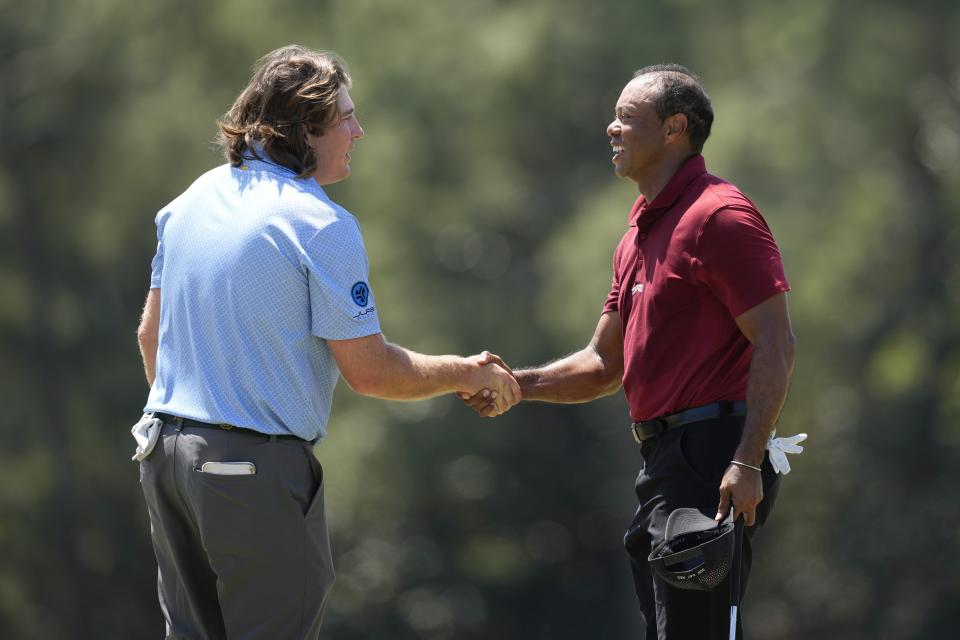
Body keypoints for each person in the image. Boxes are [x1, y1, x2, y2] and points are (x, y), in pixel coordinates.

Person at [134, 45, 519, 640]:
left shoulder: (191, 199)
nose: (358, 131)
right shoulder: (319, 223)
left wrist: (197, 428)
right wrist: (465, 372)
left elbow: (149, 336)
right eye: (346, 118)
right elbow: (372, 372)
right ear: (306, 129)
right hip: (250, 470)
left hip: (163, 457)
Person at [462, 64, 796, 639]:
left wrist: (745, 460)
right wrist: (517, 384)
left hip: (713, 457)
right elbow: (602, 365)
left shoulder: (718, 215)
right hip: (663, 466)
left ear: (674, 128)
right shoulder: (637, 237)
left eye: (627, 118)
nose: (612, 129)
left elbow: (776, 343)